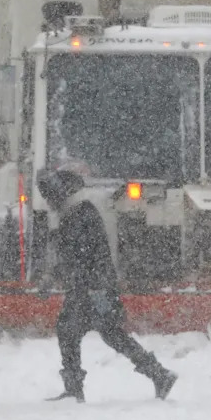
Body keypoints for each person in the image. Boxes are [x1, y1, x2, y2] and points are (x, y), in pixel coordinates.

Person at [37, 169, 177, 403]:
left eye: (51, 198)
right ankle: (158, 374)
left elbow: (81, 256)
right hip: (92, 286)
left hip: (91, 288)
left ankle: (75, 388)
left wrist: (77, 282)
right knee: (109, 334)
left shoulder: (80, 216)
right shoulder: (76, 215)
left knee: (75, 331)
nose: (49, 203)